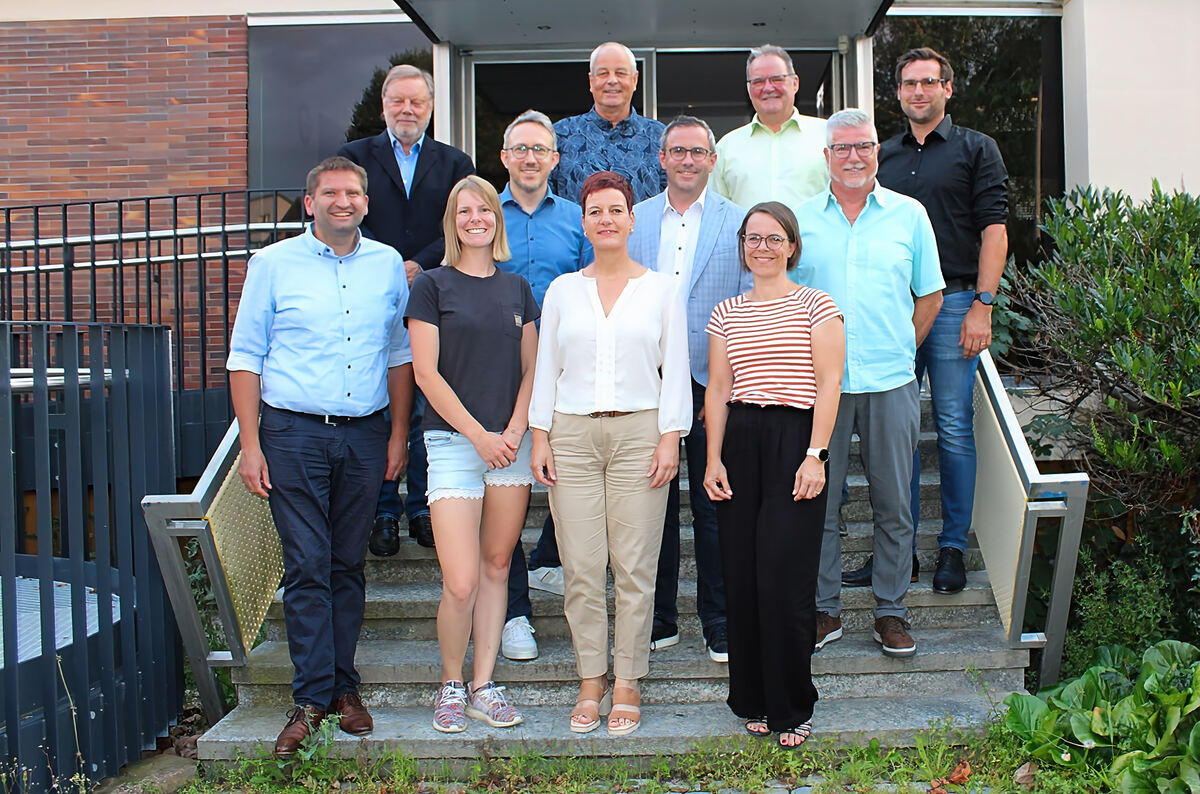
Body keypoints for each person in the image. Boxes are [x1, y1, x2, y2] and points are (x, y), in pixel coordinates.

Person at [227, 156, 413, 756]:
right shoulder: (272, 264)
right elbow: (245, 356)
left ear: (366, 202)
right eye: (330, 192)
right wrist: (250, 444)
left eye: (353, 192)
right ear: (310, 203)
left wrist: (398, 435)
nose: (343, 201)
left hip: (364, 435)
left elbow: (398, 354)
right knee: (308, 563)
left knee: (347, 564)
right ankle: (311, 699)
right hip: (293, 434)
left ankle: (342, 687)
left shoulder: (387, 264)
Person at [529, 171, 690, 736]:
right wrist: (540, 435)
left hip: (640, 435)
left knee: (634, 566)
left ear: (631, 219)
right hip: (571, 436)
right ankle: (590, 677)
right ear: (583, 222)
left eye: (615, 209)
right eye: (595, 211)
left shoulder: (661, 290)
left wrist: (670, 436)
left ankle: (627, 680)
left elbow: (677, 369)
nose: (606, 219)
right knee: (580, 566)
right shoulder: (562, 291)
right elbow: (546, 366)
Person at [847, 47, 1008, 596]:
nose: (919, 91)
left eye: (929, 82)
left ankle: (952, 548)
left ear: (947, 88)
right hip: (893, 311)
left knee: (954, 427)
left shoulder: (976, 149)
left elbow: (994, 230)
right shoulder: (882, 156)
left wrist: (984, 305)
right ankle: (900, 554)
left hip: (956, 304)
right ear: (897, 93)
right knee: (897, 436)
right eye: (909, 83)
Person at [792, 109, 944, 659]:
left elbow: (930, 295)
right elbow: (786, 300)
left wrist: (902, 345)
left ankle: (890, 612)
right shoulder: (800, 220)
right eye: (842, 148)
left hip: (890, 381)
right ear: (826, 156)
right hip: (822, 390)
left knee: (895, 503)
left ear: (877, 151)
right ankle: (824, 609)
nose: (853, 157)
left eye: (863, 146)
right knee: (818, 503)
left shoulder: (909, 215)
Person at [703, 201, 844, 748]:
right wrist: (714, 458)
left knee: (784, 577)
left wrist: (816, 455)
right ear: (743, 247)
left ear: (791, 246)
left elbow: (829, 384)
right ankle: (753, 699)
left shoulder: (816, 305)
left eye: (773, 238)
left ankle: (793, 704)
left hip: (795, 440)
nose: (762, 248)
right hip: (740, 439)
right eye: (753, 238)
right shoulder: (726, 312)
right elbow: (719, 388)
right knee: (741, 575)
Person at [405, 175, 539, 733]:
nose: (476, 218)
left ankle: (483, 685)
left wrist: (513, 429)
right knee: (460, 580)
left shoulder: (518, 288)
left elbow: (532, 370)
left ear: (497, 219)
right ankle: (451, 684)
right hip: (454, 445)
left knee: (497, 566)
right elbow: (426, 374)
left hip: (511, 445)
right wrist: (479, 436)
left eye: (484, 209)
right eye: (465, 211)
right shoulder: (431, 286)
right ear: (452, 222)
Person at [628, 115, 751, 662]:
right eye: (677, 151)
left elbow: (747, 302)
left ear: (712, 160)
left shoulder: (738, 221)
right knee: (651, 502)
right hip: (646, 381)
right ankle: (658, 618)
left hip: (710, 381)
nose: (687, 160)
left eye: (697, 152)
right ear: (662, 158)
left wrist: (732, 380)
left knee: (712, 502)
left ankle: (719, 619)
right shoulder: (634, 219)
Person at [338, 64, 475, 555]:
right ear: (384, 106)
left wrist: (420, 263)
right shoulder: (354, 157)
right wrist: (390, 261)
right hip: (369, 295)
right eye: (398, 101)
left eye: (417, 101)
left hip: (433, 293)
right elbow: (348, 214)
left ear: (431, 107)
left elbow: (462, 221)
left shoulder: (455, 162)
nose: (408, 110)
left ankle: (421, 507)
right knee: (382, 405)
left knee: (427, 405)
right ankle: (382, 511)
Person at [494, 110, 593, 663]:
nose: (530, 158)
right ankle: (514, 613)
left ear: (555, 158)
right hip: (496, 376)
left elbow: (593, 290)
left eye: (540, 149)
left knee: (573, 480)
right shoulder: (483, 216)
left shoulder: (579, 219)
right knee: (504, 494)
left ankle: (552, 560)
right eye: (520, 149)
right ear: (505, 157)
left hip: (564, 373)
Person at [710, 44, 828, 218]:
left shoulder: (828, 136)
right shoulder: (726, 148)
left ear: (795, 83)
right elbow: (716, 214)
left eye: (777, 79)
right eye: (758, 81)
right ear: (749, 89)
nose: (768, 88)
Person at [549, 42, 666, 204]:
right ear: (591, 81)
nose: (612, 80)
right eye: (603, 73)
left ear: (635, 80)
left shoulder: (660, 136)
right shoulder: (560, 135)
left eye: (620, 73)